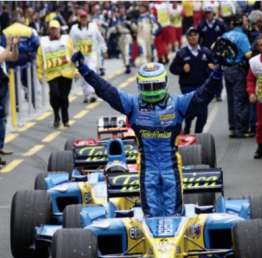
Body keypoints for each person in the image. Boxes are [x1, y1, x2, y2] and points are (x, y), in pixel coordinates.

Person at [71, 51, 221, 217]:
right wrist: (84, 69)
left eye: (155, 85)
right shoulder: (132, 105)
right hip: (146, 167)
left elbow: (204, 94)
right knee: (150, 213)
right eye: (148, 86)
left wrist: (218, 72)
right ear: (140, 85)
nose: (151, 90)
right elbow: (106, 90)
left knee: (174, 213)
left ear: (163, 83)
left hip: (170, 166)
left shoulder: (178, 104)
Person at [170, 26, 215, 134]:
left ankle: (198, 134)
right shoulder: (182, 53)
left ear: (198, 36)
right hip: (187, 87)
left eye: (195, 35)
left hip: (203, 86)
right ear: (187, 38)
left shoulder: (206, 52)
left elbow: (216, 64)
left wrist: (212, 66)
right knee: (191, 110)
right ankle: (188, 125)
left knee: (202, 112)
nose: (193, 37)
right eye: (190, 35)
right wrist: (182, 69)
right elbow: (172, 68)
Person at [37, 20, 75, 128]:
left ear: (59, 29)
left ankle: (65, 119)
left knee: (64, 97)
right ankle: (56, 116)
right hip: (52, 74)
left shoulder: (67, 40)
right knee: (55, 95)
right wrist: (39, 74)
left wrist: (76, 70)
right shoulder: (43, 43)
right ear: (49, 30)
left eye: (55, 29)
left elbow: (73, 55)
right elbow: (39, 59)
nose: (53, 31)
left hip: (66, 73)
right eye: (52, 29)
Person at [222, 15, 252, 138]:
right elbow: (248, 54)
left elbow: (219, 52)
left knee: (230, 99)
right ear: (240, 23)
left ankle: (233, 127)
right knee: (240, 99)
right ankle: (241, 129)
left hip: (227, 69)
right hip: (238, 69)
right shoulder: (242, 36)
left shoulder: (225, 35)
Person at [70, 9, 107, 103]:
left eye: (85, 17)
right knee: (82, 76)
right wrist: (71, 55)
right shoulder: (74, 29)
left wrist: (104, 49)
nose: (83, 19)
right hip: (80, 56)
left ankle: (91, 93)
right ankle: (87, 95)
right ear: (79, 18)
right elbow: (70, 43)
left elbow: (100, 38)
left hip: (91, 55)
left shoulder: (93, 27)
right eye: (81, 17)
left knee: (91, 71)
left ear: (88, 18)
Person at [0, 37, 19, 167]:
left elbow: (13, 57)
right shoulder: (3, 49)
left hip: (2, 84)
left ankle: (0, 146)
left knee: (3, 117)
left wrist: (15, 46)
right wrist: (8, 46)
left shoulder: (1, 49)